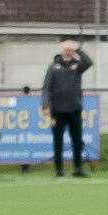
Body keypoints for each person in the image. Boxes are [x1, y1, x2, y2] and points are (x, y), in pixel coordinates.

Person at [42, 38, 94, 177]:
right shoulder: (53, 67)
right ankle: (59, 169)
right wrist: (46, 105)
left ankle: (78, 168)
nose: (69, 51)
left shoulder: (78, 66)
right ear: (62, 50)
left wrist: (78, 50)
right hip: (57, 110)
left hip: (75, 109)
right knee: (58, 140)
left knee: (77, 140)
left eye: (71, 49)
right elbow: (46, 88)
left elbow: (89, 62)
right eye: (66, 49)